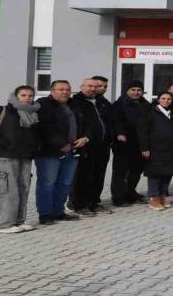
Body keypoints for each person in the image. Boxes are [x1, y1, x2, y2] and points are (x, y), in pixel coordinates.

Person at [0, 86, 41, 233]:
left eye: (30, 95)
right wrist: (3, 143)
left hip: (25, 156)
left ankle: (18, 221)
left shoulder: (33, 113)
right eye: (23, 95)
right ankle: (3, 225)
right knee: (8, 190)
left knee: (23, 189)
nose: (27, 98)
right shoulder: (1, 110)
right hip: (5, 156)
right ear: (16, 95)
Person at [33, 80, 84, 223]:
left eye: (67, 89)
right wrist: (62, 143)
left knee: (65, 183)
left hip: (72, 150)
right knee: (47, 183)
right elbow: (44, 128)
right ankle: (45, 214)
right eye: (61, 89)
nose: (65, 92)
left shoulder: (73, 104)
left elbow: (83, 123)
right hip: (50, 152)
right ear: (52, 91)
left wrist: (84, 137)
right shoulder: (43, 105)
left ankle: (58, 211)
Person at [69, 77, 114, 215]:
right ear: (81, 86)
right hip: (85, 145)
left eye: (96, 86)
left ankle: (94, 202)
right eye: (90, 86)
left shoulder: (102, 102)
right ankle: (78, 204)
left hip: (103, 144)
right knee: (83, 176)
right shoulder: (75, 102)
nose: (93, 89)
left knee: (99, 175)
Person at [137, 91, 173, 211]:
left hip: (171, 148)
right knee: (155, 173)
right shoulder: (150, 112)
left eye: (169, 99)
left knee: (168, 172)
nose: (166, 101)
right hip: (155, 148)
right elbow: (143, 131)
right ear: (158, 100)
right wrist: (144, 148)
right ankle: (154, 197)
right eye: (163, 98)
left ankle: (163, 195)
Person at [109, 81, 149, 206]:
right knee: (120, 172)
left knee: (136, 170)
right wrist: (120, 133)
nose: (136, 92)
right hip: (123, 143)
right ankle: (118, 197)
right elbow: (116, 121)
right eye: (133, 90)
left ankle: (130, 192)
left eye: (139, 90)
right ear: (127, 90)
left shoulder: (145, 104)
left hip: (140, 143)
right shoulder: (119, 104)